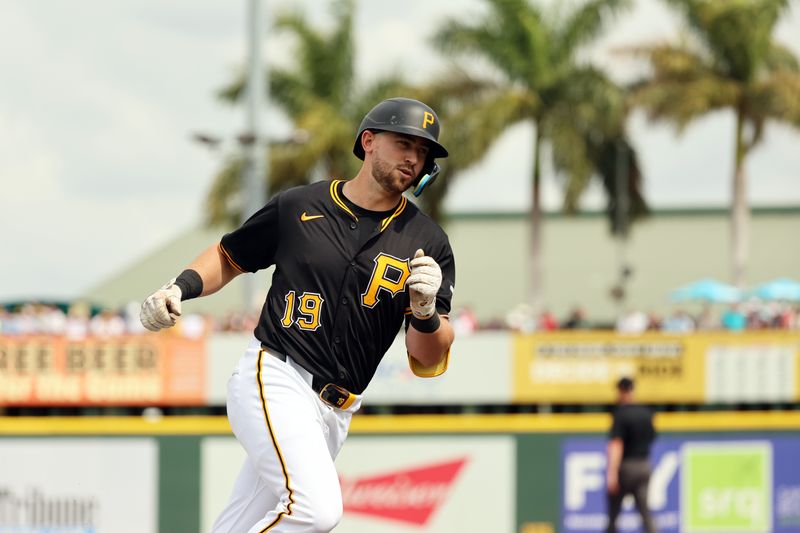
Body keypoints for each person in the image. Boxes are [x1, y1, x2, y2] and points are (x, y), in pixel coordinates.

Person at [140, 97, 456, 533]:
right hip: (276, 377)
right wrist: (181, 286)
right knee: (316, 510)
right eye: (404, 143)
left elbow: (427, 359)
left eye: (423, 152)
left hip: (336, 413)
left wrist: (424, 313)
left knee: (241, 522)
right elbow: (230, 255)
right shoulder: (300, 205)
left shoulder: (427, 240)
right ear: (368, 141)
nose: (413, 158)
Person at [606, 377, 658, 533]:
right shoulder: (646, 413)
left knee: (614, 514)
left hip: (626, 467)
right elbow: (652, 437)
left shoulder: (621, 413)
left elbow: (616, 444)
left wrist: (612, 473)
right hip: (644, 465)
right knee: (645, 513)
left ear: (622, 391)